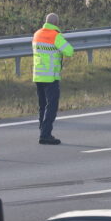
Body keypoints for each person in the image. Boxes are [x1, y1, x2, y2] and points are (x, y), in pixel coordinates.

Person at [32, 13, 73, 145]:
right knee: (51, 106)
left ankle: (42, 129)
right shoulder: (55, 35)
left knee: (42, 105)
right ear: (56, 23)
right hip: (51, 77)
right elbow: (69, 51)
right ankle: (46, 134)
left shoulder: (37, 34)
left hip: (38, 75)